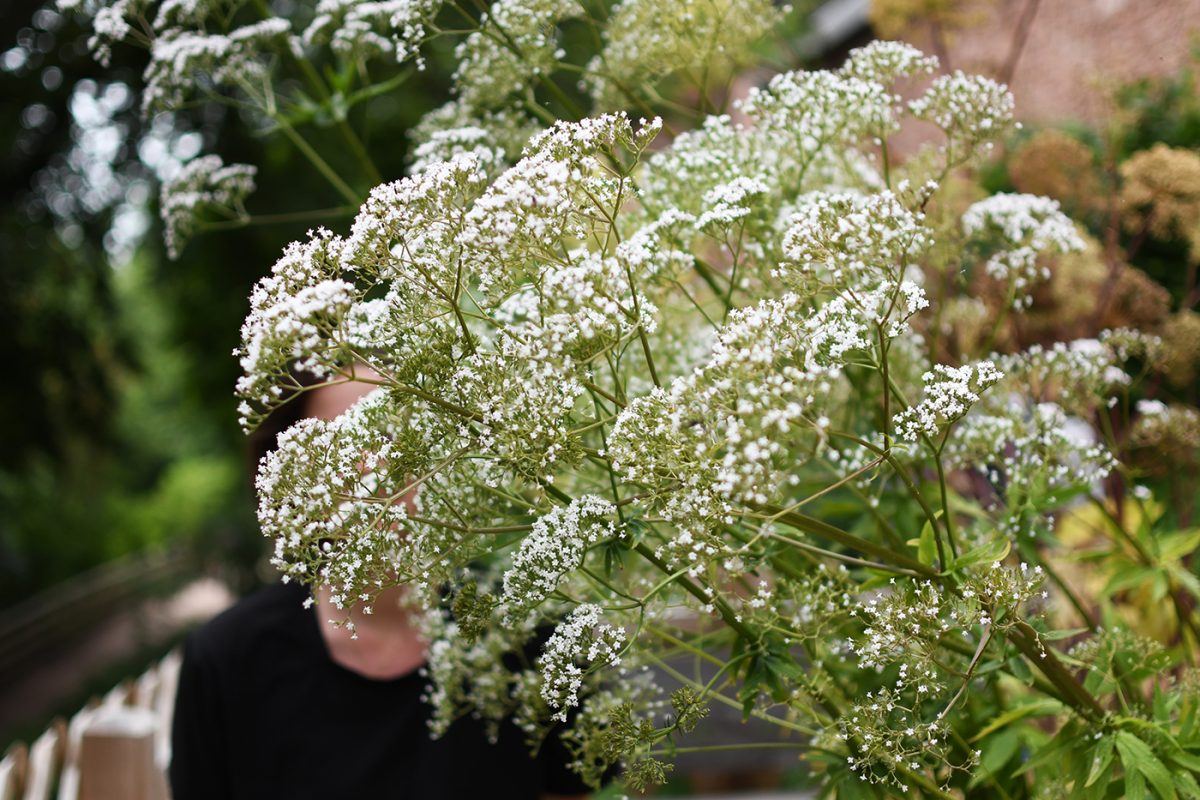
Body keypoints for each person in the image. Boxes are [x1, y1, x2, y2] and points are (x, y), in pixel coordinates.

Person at [169, 378, 590, 799]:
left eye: (393, 434)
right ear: (290, 480)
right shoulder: (226, 661)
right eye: (344, 443)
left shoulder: (533, 632)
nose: (381, 466)